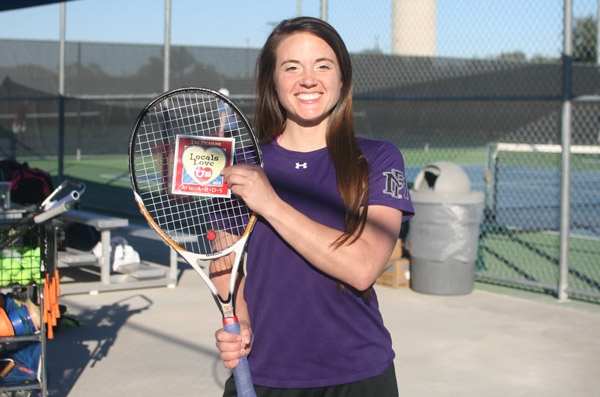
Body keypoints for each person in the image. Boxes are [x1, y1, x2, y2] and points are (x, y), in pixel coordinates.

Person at [214, 16, 414, 396]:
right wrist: (238, 314)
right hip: (261, 375)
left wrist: (269, 203)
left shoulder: (378, 159)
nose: (308, 79)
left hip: (358, 376)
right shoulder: (242, 166)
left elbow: (362, 267)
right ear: (272, 80)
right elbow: (225, 260)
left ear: (342, 78)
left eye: (323, 65)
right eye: (292, 67)